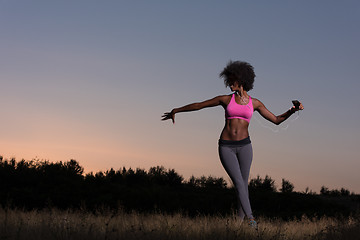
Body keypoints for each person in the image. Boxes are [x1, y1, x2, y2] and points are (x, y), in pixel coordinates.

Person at [161, 60, 304, 229]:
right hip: (226, 146)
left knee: (243, 185)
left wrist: (292, 110)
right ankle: (251, 220)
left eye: (232, 80)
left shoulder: (255, 103)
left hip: (245, 146)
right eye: (228, 80)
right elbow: (200, 105)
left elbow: (276, 120)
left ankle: (237, 226)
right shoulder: (225, 99)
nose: (229, 83)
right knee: (238, 182)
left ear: (242, 80)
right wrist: (176, 110)